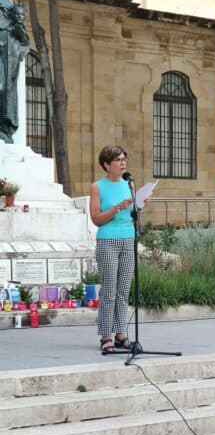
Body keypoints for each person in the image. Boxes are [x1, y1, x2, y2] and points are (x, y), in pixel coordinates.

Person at [89, 145, 136, 353]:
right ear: (107, 164)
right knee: (109, 291)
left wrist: (140, 204)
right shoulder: (97, 187)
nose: (123, 162)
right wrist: (117, 207)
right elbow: (96, 219)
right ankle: (106, 335)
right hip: (108, 240)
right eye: (118, 159)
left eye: (124, 158)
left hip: (128, 239)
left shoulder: (129, 184)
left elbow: (132, 214)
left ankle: (121, 334)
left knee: (123, 290)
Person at [0, 0, 29, 143]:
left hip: (9, 56)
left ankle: (4, 129)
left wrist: (19, 29)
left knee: (5, 89)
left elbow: (23, 40)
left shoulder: (9, 5)